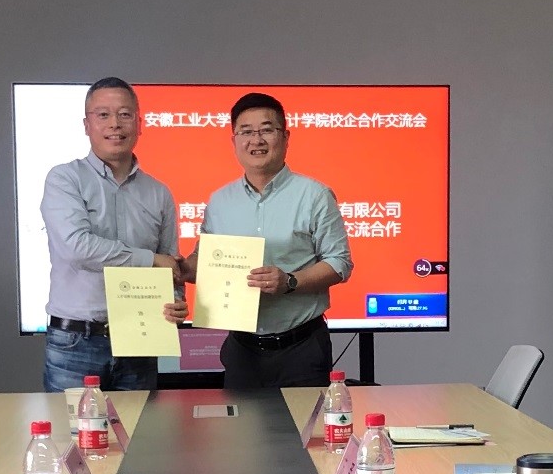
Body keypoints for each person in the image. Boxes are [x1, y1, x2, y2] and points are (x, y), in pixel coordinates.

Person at [183, 91, 353, 389]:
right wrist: (179, 268)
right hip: (242, 349)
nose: (256, 140)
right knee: (241, 422)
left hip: (301, 347)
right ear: (234, 141)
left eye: (266, 130)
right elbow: (206, 262)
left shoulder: (314, 195)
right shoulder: (220, 201)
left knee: (304, 422)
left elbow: (340, 263)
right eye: (246, 132)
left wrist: (290, 281)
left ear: (285, 137)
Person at [40, 77, 185, 392]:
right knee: (75, 426)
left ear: (139, 124)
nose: (115, 124)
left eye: (125, 114)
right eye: (103, 115)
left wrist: (176, 301)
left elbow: (169, 263)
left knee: (138, 426)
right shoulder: (65, 179)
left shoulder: (159, 192)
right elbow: (77, 248)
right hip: (76, 343)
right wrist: (149, 260)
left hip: (140, 341)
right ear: (86, 125)